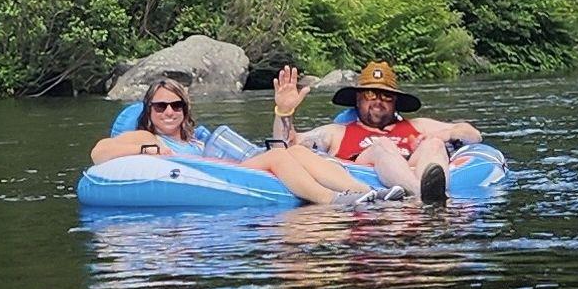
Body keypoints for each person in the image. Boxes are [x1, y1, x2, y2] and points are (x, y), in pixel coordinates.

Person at [90, 77, 397, 209]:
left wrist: (284, 113)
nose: (169, 112)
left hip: (231, 171)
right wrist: (149, 149)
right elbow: (99, 152)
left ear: (185, 109)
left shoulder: (196, 138)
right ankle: (331, 201)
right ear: (149, 111)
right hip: (214, 177)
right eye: (160, 106)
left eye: (176, 105)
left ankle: (366, 193)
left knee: (296, 151)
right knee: (277, 158)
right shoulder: (146, 135)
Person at [271, 59, 482, 204]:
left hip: (410, 173)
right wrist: (284, 112)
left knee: (434, 144)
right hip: (366, 186)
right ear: (358, 99)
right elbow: (286, 145)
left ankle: (433, 193)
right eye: (371, 94)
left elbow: (472, 135)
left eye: (386, 96)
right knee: (381, 145)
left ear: (396, 102)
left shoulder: (418, 126)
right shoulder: (336, 132)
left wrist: (450, 134)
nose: (378, 101)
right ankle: (422, 194)